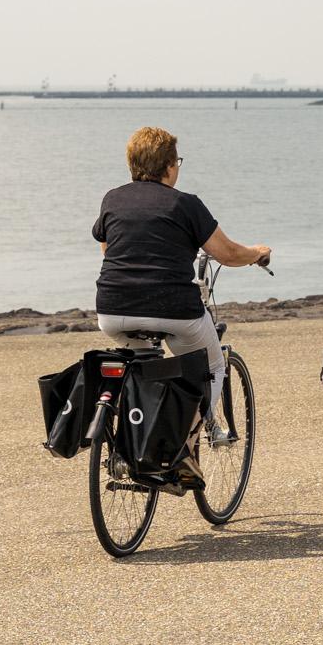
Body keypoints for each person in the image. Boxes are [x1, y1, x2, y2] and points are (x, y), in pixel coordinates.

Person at [92, 126, 270, 444]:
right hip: (173, 310)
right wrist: (256, 253)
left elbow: (108, 251)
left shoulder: (112, 199)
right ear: (169, 166)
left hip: (112, 311)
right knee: (212, 365)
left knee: (142, 368)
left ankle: (134, 445)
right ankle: (183, 445)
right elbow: (228, 254)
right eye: (177, 162)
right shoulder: (185, 204)